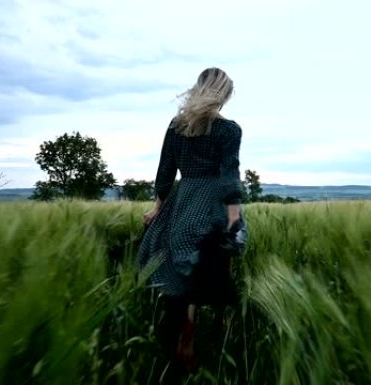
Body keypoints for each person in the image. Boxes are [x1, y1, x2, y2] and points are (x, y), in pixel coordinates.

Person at [137, 67, 247, 375]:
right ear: (223, 94)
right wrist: (234, 218)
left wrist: (159, 204)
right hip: (214, 200)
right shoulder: (229, 130)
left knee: (182, 262)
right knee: (219, 255)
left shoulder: (176, 126)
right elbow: (229, 174)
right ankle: (220, 320)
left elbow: (165, 169)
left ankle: (186, 325)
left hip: (184, 198)